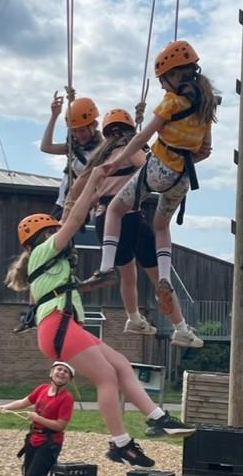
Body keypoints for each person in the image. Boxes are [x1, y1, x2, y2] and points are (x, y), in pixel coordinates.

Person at [4, 166, 195, 469]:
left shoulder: (48, 265)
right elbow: (74, 218)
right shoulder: (44, 251)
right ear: (39, 240)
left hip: (62, 326)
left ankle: (158, 418)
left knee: (120, 364)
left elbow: (61, 287)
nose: (58, 235)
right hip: (58, 326)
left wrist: (89, 284)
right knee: (106, 376)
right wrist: (93, 181)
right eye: (51, 232)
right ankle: (121, 443)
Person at [91, 40, 218, 321]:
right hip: (181, 179)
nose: (161, 86)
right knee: (161, 226)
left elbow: (141, 138)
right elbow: (204, 151)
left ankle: (106, 267)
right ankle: (164, 278)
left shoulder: (171, 102)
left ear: (175, 75)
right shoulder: (206, 110)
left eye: (162, 80)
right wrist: (181, 162)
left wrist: (116, 162)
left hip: (157, 170)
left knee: (115, 210)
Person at [63, 107, 202, 347]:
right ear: (129, 131)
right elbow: (146, 167)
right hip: (129, 216)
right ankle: (181, 328)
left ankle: (134, 317)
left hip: (104, 221)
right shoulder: (131, 149)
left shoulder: (99, 157)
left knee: (128, 275)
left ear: (106, 134)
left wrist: (71, 211)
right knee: (158, 278)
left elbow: (76, 190)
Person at [40, 93, 103, 219]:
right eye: (74, 131)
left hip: (81, 206)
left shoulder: (101, 151)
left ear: (93, 126)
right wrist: (54, 116)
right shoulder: (73, 148)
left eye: (82, 130)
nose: (78, 135)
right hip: (62, 204)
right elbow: (46, 147)